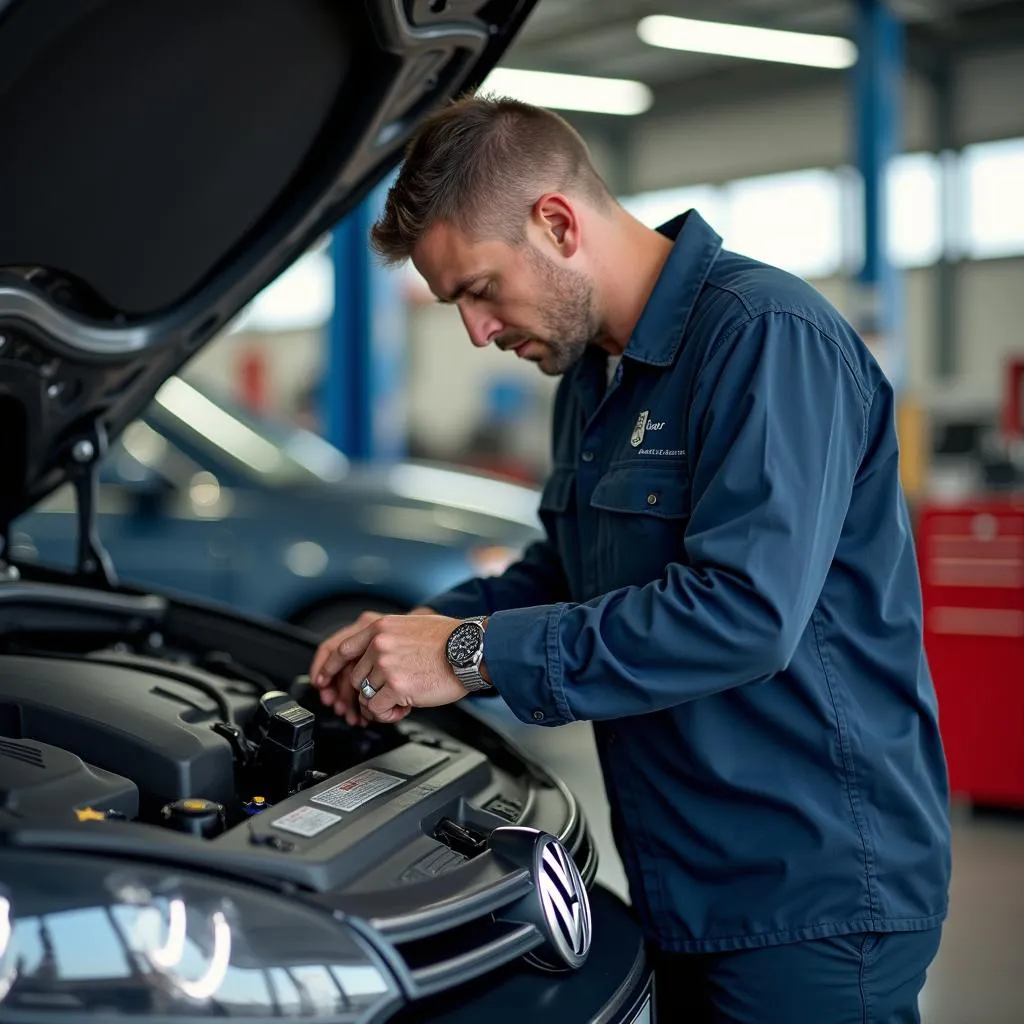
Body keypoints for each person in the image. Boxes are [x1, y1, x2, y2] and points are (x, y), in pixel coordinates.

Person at [310, 95, 951, 1023]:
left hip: (808, 896)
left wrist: (470, 657)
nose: (477, 332)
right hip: (682, 878)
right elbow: (570, 572)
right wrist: (417, 633)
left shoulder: (764, 337)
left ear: (558, 223)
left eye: (479, 289)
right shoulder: (592, 376)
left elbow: (743, 612)